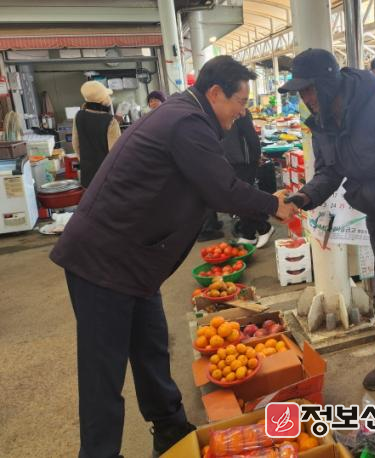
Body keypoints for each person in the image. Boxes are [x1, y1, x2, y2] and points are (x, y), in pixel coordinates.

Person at [49, 56, 296, 458]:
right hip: (102, 260)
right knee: (103, 372)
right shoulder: (186, 122)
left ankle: (170, 430)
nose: (242, 111)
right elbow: (221, 188)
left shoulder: (187, 116)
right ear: (215, 93)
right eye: (239, 101)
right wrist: (273, 205)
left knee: (151, 348)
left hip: (135, 259)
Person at [279, 49, 375, 404]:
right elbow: (329, 171)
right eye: (300, 92)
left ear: (327, 82)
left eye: (309, 89)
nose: (305, 97)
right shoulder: (322, 121)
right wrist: (305, 196)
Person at [199, 109, 275, 247]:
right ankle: (251, 232)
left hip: (244, 161)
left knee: (241, 197)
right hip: (227, 159)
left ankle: (262, 228)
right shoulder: (213, 111)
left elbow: (251, 135)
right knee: (236, 198)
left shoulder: (239, 109)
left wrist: (257, 155)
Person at [72, 81, 121, 188]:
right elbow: (115, 152)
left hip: (87, 175)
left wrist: (85, 161)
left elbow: (75, 144)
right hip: (106, 177)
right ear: (104, 100)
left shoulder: (79, 116)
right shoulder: (110, 121)